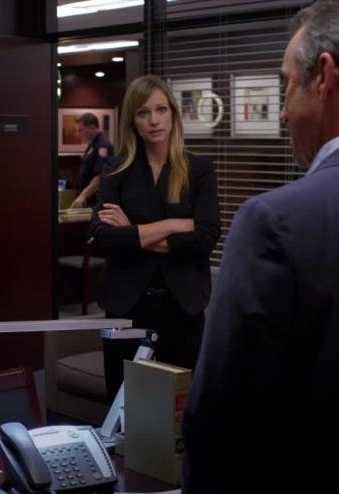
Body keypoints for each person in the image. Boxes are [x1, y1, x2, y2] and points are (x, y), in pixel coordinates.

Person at [182, 1, 339, 492]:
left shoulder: (274, 222)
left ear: (324, 76)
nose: (283, 111)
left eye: (287, 84)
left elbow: (220, 421)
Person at [90, 75, 221, 401]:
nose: (154, 120)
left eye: (161, 109)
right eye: (143, 112)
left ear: (173, 114)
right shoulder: (115, 169)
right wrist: (176, 224)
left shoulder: (198, 170)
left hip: (183, 307)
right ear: (132, 121)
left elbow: (204, 239)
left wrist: (132, 231)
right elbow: (104, 238)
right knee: (124, 408)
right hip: (126, 306)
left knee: (180, 409)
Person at [70, 113, 114, 208]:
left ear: (92, 128)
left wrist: (83, 196)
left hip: (98, 199)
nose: (78, 134)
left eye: (81, 130)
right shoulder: (93, 145)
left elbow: (100, 175)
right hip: (90, 198)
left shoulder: (102, 145)